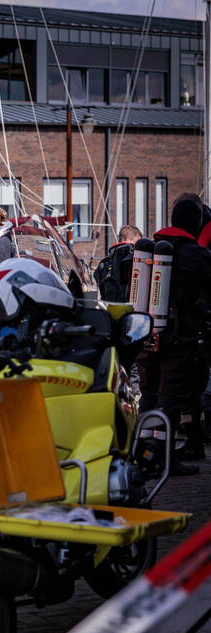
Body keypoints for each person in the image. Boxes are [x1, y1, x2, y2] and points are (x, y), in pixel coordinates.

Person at [136, 193, 211, 477]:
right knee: (170, 397)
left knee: (148, 394)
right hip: (179, 337)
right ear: (198, 223)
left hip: (147, 334)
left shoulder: (152, 248)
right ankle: (163, 458)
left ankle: (142, 452)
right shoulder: (197, 254)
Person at [95, 225, 143, 303]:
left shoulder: (103, 263)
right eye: (137, 242)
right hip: (132, 308)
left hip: (109, 308)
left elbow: (99, 285)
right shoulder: (137, 259)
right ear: (124, 239)